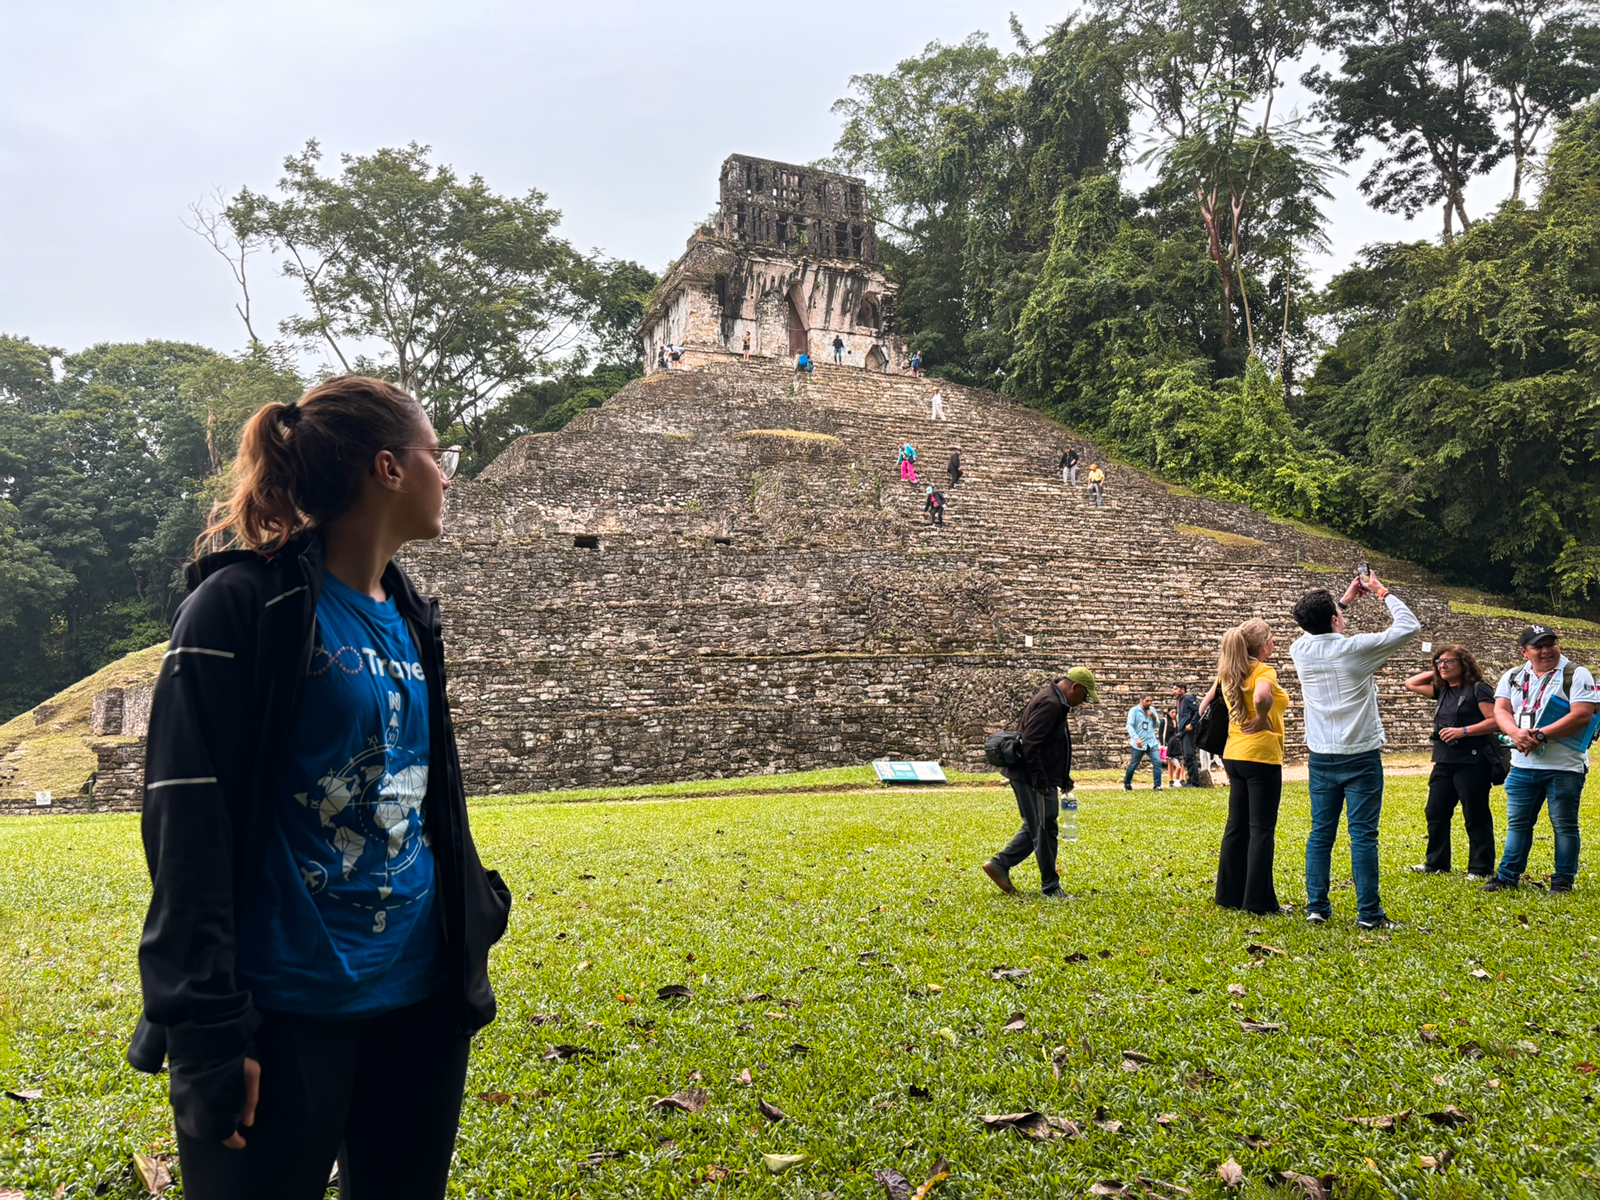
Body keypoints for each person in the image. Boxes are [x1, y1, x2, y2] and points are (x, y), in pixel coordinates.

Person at [127, 377, 512, 1200]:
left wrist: (473, 904)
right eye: (436, 455)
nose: (450, 475)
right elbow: (187, 827)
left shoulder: (411, 615)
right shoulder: (239, 608)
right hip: (283, 1009)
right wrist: (207, 1032)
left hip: (418, 998)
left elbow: (424, 791)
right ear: (389, 469)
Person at [1289, 570, 1420, 929]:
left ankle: (1317, 906)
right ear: (1334, 620)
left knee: (1321, 832)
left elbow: (1313, 629)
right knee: (1362, 835)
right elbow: (1409, 625)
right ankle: (1369, 914)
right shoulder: (1355, 649)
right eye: (1339, 612)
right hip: (1360, 753)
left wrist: (1342, 601)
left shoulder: (1299, 650)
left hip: (1320, 754)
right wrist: (1380, 591)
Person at [1485, 625, 1598, 893]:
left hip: (1564, 765)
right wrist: (1514, 732)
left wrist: (1539, 735)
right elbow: (1501, 709)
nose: (1547, 650)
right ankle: (1507, 876)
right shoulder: (1513, 676)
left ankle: (1562, 880)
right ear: (1524, 652)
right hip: (1523, 765)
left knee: (1564, 825)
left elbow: (1582, 714)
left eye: (1551, 643)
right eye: (1538, 646)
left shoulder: (1576, 674)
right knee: (1518, 825)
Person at [982, 667, 1099, 898]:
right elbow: (1031, 743)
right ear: (1074, 687)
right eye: (1084, 695)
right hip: (1033, 778)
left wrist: (1063, 777)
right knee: (1045, 829)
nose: (1084, 701)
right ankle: (1051, 887)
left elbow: (1053, 745)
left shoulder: (1056, 700)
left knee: (1036, 826)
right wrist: (1039, 780)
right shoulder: (1051, 703)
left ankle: (999, 864)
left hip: (1038, 776)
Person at [1203, 619, 1288, 915]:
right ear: (1263, 644)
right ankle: (1258, 902)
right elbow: (1263, 696)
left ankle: (1228, 895)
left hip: (1233, 754)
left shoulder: (1227, 671)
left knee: (1236, 827)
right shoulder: (1263, 670)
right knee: (1261, 830)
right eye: (1272, 638)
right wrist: (1263, 717)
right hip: (1261, 755)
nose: (1274, 643)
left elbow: (1204, 708)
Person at [1401, 645, 1498, 878]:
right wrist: (1436, 670)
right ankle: (1436, 862)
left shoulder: (1478, 689)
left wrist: (1463, 731)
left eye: (1449, 662)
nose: (1442, 666)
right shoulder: (1443, 690)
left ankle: (1480, 867)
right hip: (1444, 760)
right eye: (1439, 662)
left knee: (1475, 815)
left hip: (1472, 761)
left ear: (1464, 664)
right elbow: (1410, 683)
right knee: (1436, 811)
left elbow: (1495, 721)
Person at [1123, 696, 1163, 790]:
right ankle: (1127, 783)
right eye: (1147, 701)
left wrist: (1153, 717)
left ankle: (1157, 785)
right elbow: (1129, 726)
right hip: (1139, 743)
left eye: (1150, 701)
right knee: (1133, 765)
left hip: (1151, 742)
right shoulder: (1134, 711)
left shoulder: (1152, 709)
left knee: (1157, 762)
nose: (1149, 703)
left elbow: (1157, 725)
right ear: (1141, 700)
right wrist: (1136, 739)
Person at [1173, 682, 1201, 786]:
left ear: (1182, 689)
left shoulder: (1188, 699)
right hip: (1182, 731)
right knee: (1186, 756)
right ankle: (1190, 780)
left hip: (1189, 731)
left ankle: (1195, 782)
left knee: (1190, 755)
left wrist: (1192, 724)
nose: (1174, 691)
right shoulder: (1179, 701)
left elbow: (1198, 711)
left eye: (1176, 689)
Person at [1163, 708, 1187, 787]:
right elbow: (1161, 734)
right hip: (1169, 743)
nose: (1174, 714)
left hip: (1178, 742)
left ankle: (1182, 778)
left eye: (1175, 712)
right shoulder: (1165, 722)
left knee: (1181, 762)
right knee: (1170, 762)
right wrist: (1163, 744)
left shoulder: (1179, 722)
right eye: (1172, 712)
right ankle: (1171, 779)